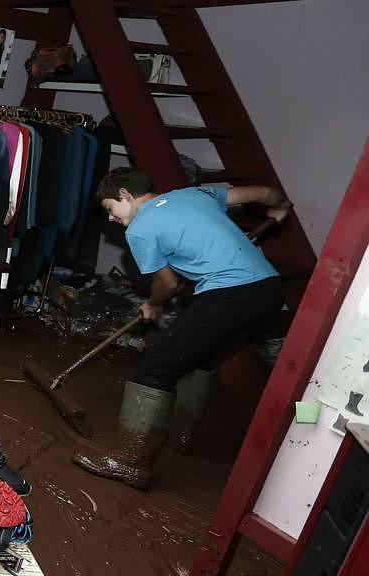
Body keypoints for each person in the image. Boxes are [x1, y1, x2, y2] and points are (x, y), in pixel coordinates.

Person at [73, 167, 290, 490]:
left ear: (125, 195)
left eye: (110, 210)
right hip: (269, 290)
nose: (111, 219)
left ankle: (130, 463)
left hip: (229, 295)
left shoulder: (140, 229)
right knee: (198, 357)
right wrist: (280, 207)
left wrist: (154, 304)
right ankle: (180, 435)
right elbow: (265, 193)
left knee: (154, 369)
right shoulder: (197, 193)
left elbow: (167, 284)